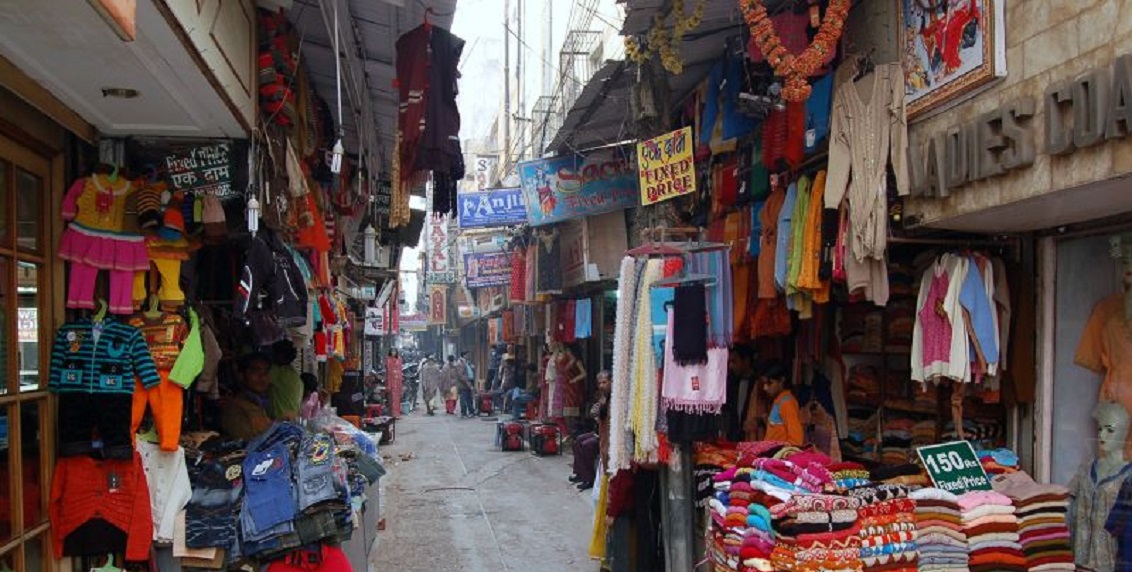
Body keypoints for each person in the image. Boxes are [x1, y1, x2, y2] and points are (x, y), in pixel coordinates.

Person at [570, 370, 610, 491]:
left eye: (605, 382)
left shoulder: (612, 397)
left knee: (586, 446)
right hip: (598, 431)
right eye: (600, 383)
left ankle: (589, 479)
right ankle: (580, 473)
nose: (602, 385)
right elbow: (596, 413)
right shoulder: (602, 396)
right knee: (577, 441)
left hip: (606, 436)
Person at [220, 352, 274, 440]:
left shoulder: (260, 404)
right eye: (256, 371)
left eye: (266, 372)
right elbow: (247, 444)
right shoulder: (233, 408)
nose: (262, 377)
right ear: (241, 375)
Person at [759, 361, 804, 446]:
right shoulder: (778, 400)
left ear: (782, 380)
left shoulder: (787, 403)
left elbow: (796, 440)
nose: (765, 388)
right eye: (764, 384)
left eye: (769, 383)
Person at [267, 339, 302, 421]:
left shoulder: (277, 372)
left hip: (280, 422)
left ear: (280, 355)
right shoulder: (294, 375)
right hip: (290, 421)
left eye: (273, 352)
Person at [456, 351, 475, 418]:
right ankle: (464, 413)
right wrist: (468, 383)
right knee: (463, 398)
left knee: (469, 398)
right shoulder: (460, 363)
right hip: (463, 384)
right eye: (467, 355)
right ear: (464, 355)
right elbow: (461, 375)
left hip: (469, 381)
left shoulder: (466, 362)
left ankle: (471, 411)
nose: (468, 356)